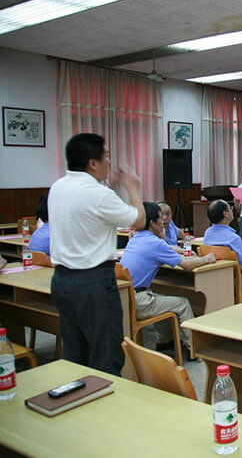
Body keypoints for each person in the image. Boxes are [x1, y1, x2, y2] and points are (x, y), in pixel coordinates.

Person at [48, 133, 145, 375]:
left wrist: (109, 185)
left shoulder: (58, 186)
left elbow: (90, 207)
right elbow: (140, 221)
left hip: (62, 281)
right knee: (106, 356)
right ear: (93, 163)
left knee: (75, 353)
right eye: (106, 157)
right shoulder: (98, 195)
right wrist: (133, 188)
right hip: (93, 282)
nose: (108, 163)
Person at [120, 202, 216, 354]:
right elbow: (186, 265)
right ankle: (194, 349)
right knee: (183, 303)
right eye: (160, 218)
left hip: (126, 298)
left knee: (161, 297)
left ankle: (164, 341)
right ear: (152, 223)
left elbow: (165, 248)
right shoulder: (155, 243)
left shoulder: (136, 238)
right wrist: (207, 259)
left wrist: (179, 250)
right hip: (140, 302)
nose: (163, 221)